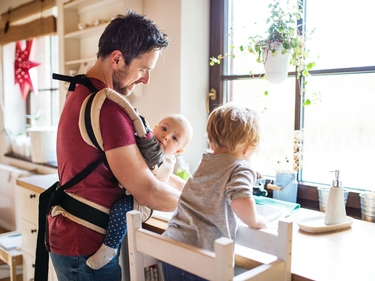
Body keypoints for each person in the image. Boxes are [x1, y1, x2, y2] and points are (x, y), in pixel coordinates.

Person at [49, 10, 181, 281]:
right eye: (143, 69)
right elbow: (146, 191)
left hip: (72, 238)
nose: (146, 79)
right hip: (86, 246)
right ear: (117, 59)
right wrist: (201, 205)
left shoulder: (80, 88)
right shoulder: (108, 109)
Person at [161, 103, 267, 281]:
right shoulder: (242, 168)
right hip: (200, 256)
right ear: (248, 147)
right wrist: (256, 221)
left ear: (210, 140)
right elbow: (240, 200)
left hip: (171, 247)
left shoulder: (207, 162)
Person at [86, 114, 193, 270]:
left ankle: (109, 248)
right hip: (133, 192)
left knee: (120, 209)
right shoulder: (149, 146)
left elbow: (158, 178)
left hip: (143, 204)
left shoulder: (165, 159)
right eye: (164, 129)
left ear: (178, 151)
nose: (166, 136)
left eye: (174, 138)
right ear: (155, 127)